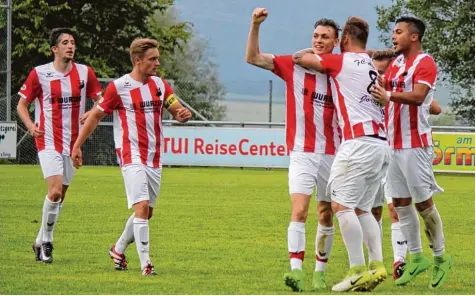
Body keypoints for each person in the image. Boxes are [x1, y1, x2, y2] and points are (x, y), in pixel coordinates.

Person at [71, 38, 192, 276]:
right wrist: (77, 146)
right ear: (138, 60)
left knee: (147, 212)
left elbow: (174, 106)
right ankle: (146, 265)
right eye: (153, 59)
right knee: (142, 206)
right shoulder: (119, 87)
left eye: (158, 58)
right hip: (130, 153)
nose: (158, 63)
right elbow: (95, 116)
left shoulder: (159, 85)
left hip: (154, 156)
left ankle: (118, 249)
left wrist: (181, 114)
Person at [245, 8, 340, 292]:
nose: (319, 40)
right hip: (301, 151)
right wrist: (255, 25)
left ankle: (320, 272)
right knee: (299, 210)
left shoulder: (340, 70)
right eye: (316, 35)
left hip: (334, 153)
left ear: (336, 42)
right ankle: (296, 271)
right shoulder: (293, 65)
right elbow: (253, 57)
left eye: (325, 37)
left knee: (326, 212)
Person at [293, 17, 390, 292]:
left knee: (341, 206)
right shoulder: (370, 64)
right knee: (362, 208)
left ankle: (357, 269)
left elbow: (302, 59)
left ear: (344, 39)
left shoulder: (342, 60)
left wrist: (319, 48)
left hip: (357, 143)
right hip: (380, 144)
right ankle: (377, 265)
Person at [371, 16, 452, 289]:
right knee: (401, 204)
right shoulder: (396, 64)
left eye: (399, 32)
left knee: (423, 205)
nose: (393, 36)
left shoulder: (425, 63)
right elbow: (385, 92)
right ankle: (416, 258)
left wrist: (389, 96)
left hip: (416, 145)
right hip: (393, 146)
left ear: (414, 36)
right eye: (393, 32)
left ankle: (441, 258)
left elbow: (418, 97)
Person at [16, 27, 102, 263]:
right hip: (48, 140)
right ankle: (47, 242)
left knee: (60, 196)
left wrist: (93, 111)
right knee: (54, 192)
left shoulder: (85, 73)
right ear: (55, 49)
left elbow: (102, 101)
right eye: (65, 42)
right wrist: (30, 126)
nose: (70, 46)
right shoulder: (39, 74)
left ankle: (38, 240)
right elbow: (21, 105)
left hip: (73, 143)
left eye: (72, 42)